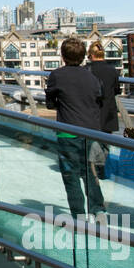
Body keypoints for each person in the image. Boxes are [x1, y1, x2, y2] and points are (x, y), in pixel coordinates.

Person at [44, 37, 105, 219]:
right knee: (89, 173)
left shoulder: (57, 76)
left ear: (63, 56)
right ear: (83, 56)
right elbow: (99, 99)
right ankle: (98, 210)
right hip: (91, 132)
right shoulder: (91, 76)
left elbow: (49, 103)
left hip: (68, 132)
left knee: (71, 175)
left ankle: (79, 216)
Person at [86, 43, 120, 180]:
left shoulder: (86, 70)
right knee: (106, 142)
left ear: (90, 55)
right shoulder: (112, 70)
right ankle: (104, 170)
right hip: (109, 111)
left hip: (92, 112)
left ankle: (95, 170)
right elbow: (116, 90)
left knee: (93, 142)